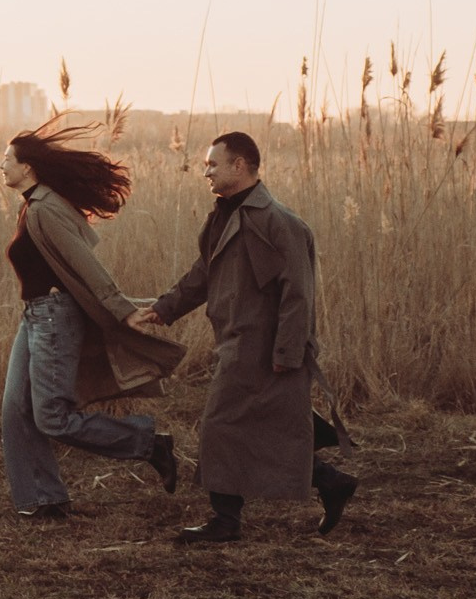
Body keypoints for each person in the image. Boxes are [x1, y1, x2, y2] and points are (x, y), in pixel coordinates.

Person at [129, 131, 358, 541]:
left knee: (221, 426)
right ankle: (329, 481)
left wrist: (287, 353)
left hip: (264, 347)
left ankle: (225, 520)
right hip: (236, 342)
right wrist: (164, 309)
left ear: (240, 165)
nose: (206, 173)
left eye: (213, 165)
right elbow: (204, 274)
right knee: (257, 430)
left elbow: (298, 294)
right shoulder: (222, 217)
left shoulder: (280, 223)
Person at [0, 122, 188, 519]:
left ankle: (148, 443)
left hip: (52, 317)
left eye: (7, 160)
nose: (1, 166)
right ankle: (43, 498)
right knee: (16, 409)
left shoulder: (46, 209)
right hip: (34, 316)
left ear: (27, 167)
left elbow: (86, 266)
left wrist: (121, 309)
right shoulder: (33, 204)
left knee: (52, 416)